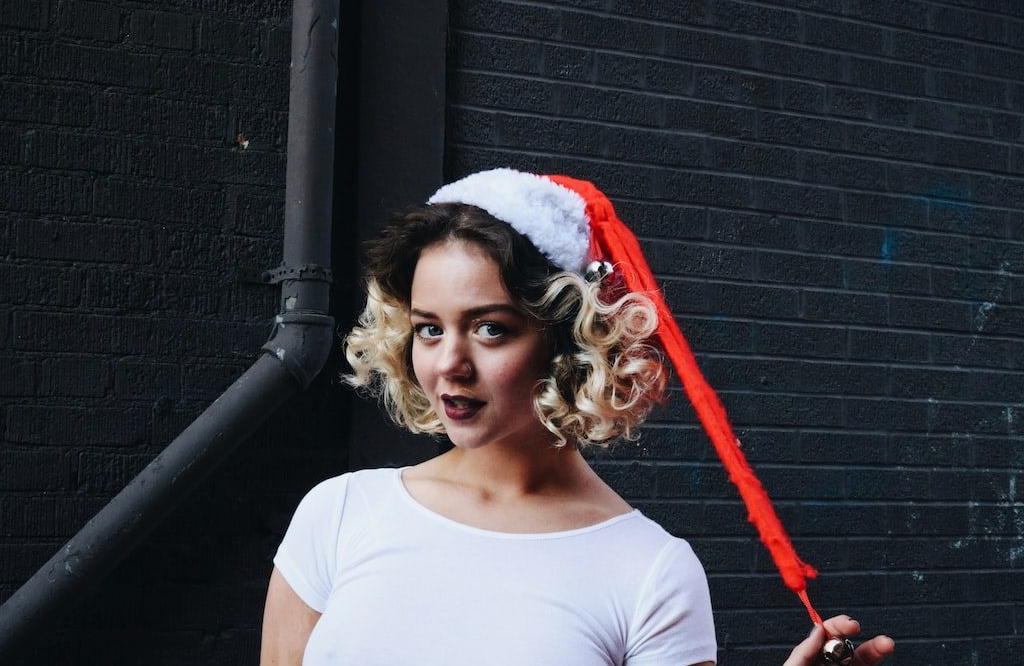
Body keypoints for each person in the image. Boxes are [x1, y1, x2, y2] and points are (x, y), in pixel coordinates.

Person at [259, 169, 894, 665]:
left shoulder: (650, 572)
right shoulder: (341, 515)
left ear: (568, 340)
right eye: (429, 329)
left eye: (489, 329)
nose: (449, 363)